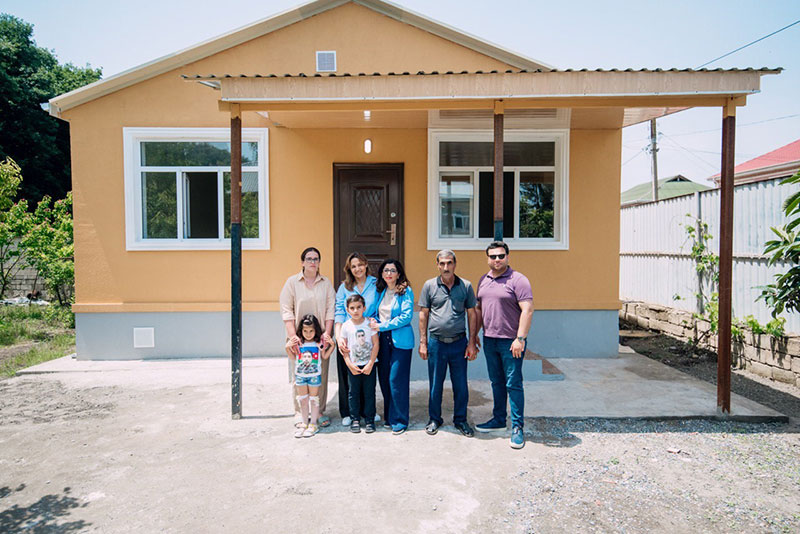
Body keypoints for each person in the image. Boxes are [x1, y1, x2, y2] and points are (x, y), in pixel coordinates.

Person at [475, 241, 534, 449]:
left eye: (501, 256)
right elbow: (479, 310)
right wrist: (474, 335)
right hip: (489, 339)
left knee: (513, 383)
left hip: (511, 342)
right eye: (493, 256)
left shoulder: (518, 280)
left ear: (508, 257)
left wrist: (520, 339)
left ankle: (517, 428)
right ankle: (499, 419)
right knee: (496, 382)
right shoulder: (483, 280)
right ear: (487, 259)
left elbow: (527, 310)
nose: (497, 259)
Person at [418, 250, 478, 437]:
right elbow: (423, 314)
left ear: (455, 264)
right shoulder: (429, 286)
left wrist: (472, 342)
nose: (446, 267)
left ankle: (461, 420)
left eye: (449, 263)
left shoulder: (465, 286)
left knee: (461, 385)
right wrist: (423, 342)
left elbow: (472, 313)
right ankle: (434, 419)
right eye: (442, 263)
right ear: (437, 265)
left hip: (459, 343)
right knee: (435, 384)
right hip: (436, 343)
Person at [279, 246, 336, 429]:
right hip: (299, 337)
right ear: (302, 262)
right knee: (300, 373)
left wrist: (327, 334)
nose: (313, 262)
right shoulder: (292, 283)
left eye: (316, 259)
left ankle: (319, 411)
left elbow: (331, 309)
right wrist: (293, 337)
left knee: (320, 374)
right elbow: (286, 310)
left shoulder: (326, 283)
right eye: (309, 259)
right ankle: (299, 411)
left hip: (319, 339)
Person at [334, 252, 380, 427]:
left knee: (367, 377)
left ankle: (367, 412)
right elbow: (339, 311)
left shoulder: (376, 284)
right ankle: (348, 412)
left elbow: (380, 307)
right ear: (349, 269)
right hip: (348, 334)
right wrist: (339, 336)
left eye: (360, 264)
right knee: (348, 376)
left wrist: (376, 323)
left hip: (369, 334)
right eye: (353, 266)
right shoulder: (344, 287)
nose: (357, 269)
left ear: (366, 264)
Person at [371, 259, 414, 435]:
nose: (389, 273)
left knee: (397, 380)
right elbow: (377, 313)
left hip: (400, 340)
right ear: (382, 274)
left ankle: (400, 420)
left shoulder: (405, 291)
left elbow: (406, 316)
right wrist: (373, 321)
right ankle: (390, 416)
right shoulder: (381, 291)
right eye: (386, 270)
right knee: (384, 378)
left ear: (398, 274)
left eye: (392, 270)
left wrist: (382, 326)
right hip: (383, 340)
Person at [287, 314, 334, 438]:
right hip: (300, 376)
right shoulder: (299, 343)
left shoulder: (318, 344)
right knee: (303, 400)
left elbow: (324, 356)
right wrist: (287, 348)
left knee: (314, 399)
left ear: (316, 330)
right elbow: (293, 358)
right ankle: (304, 423)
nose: (308, 334)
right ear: (301, 330)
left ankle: (313, 424)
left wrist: (332, 346)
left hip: (314, 376)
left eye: (311, 331)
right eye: (305, 331)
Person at [339, 294, 379, 433]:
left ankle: (369, 420)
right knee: (353, 393)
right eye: (352, 308)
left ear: (364, 308)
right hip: (353, 366)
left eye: (358, 307)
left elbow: (376, 344)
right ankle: (355, 419)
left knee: (369, 392)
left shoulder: (369, 324)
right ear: (347, 310)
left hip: (369, 365)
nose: (355, 311)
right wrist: (349, 364)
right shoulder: (346, 326)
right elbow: (344, 348)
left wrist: (371, 363)